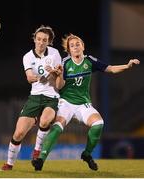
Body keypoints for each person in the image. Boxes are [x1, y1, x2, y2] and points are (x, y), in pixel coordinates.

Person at [32, 34, 140, 171]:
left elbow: (111, 68)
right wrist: (58, 75)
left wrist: (127, 65)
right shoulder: (64, 63)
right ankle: (41, 159)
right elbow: (59, 86)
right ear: (69, 50)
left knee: (99, 124)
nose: (75, 47)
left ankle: (87, 154)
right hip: (66, 102)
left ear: (83, 46)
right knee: (58, 126)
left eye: (78, 44)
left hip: (83, 104)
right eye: (72, 46)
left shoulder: (89, 61)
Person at [0, 25, 62, 171]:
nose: (41, 42)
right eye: (39, 39)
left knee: (46, 120)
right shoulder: (27, 57)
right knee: (19, 133)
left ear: (49, 42)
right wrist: (37, 77)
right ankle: (9, 164)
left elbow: (58, 78)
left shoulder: (54, 54)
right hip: (34, 97)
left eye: (45, 40)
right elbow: (29, 77)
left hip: (51, 96)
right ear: (34, 39)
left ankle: (37, 152)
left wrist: (54, 72)